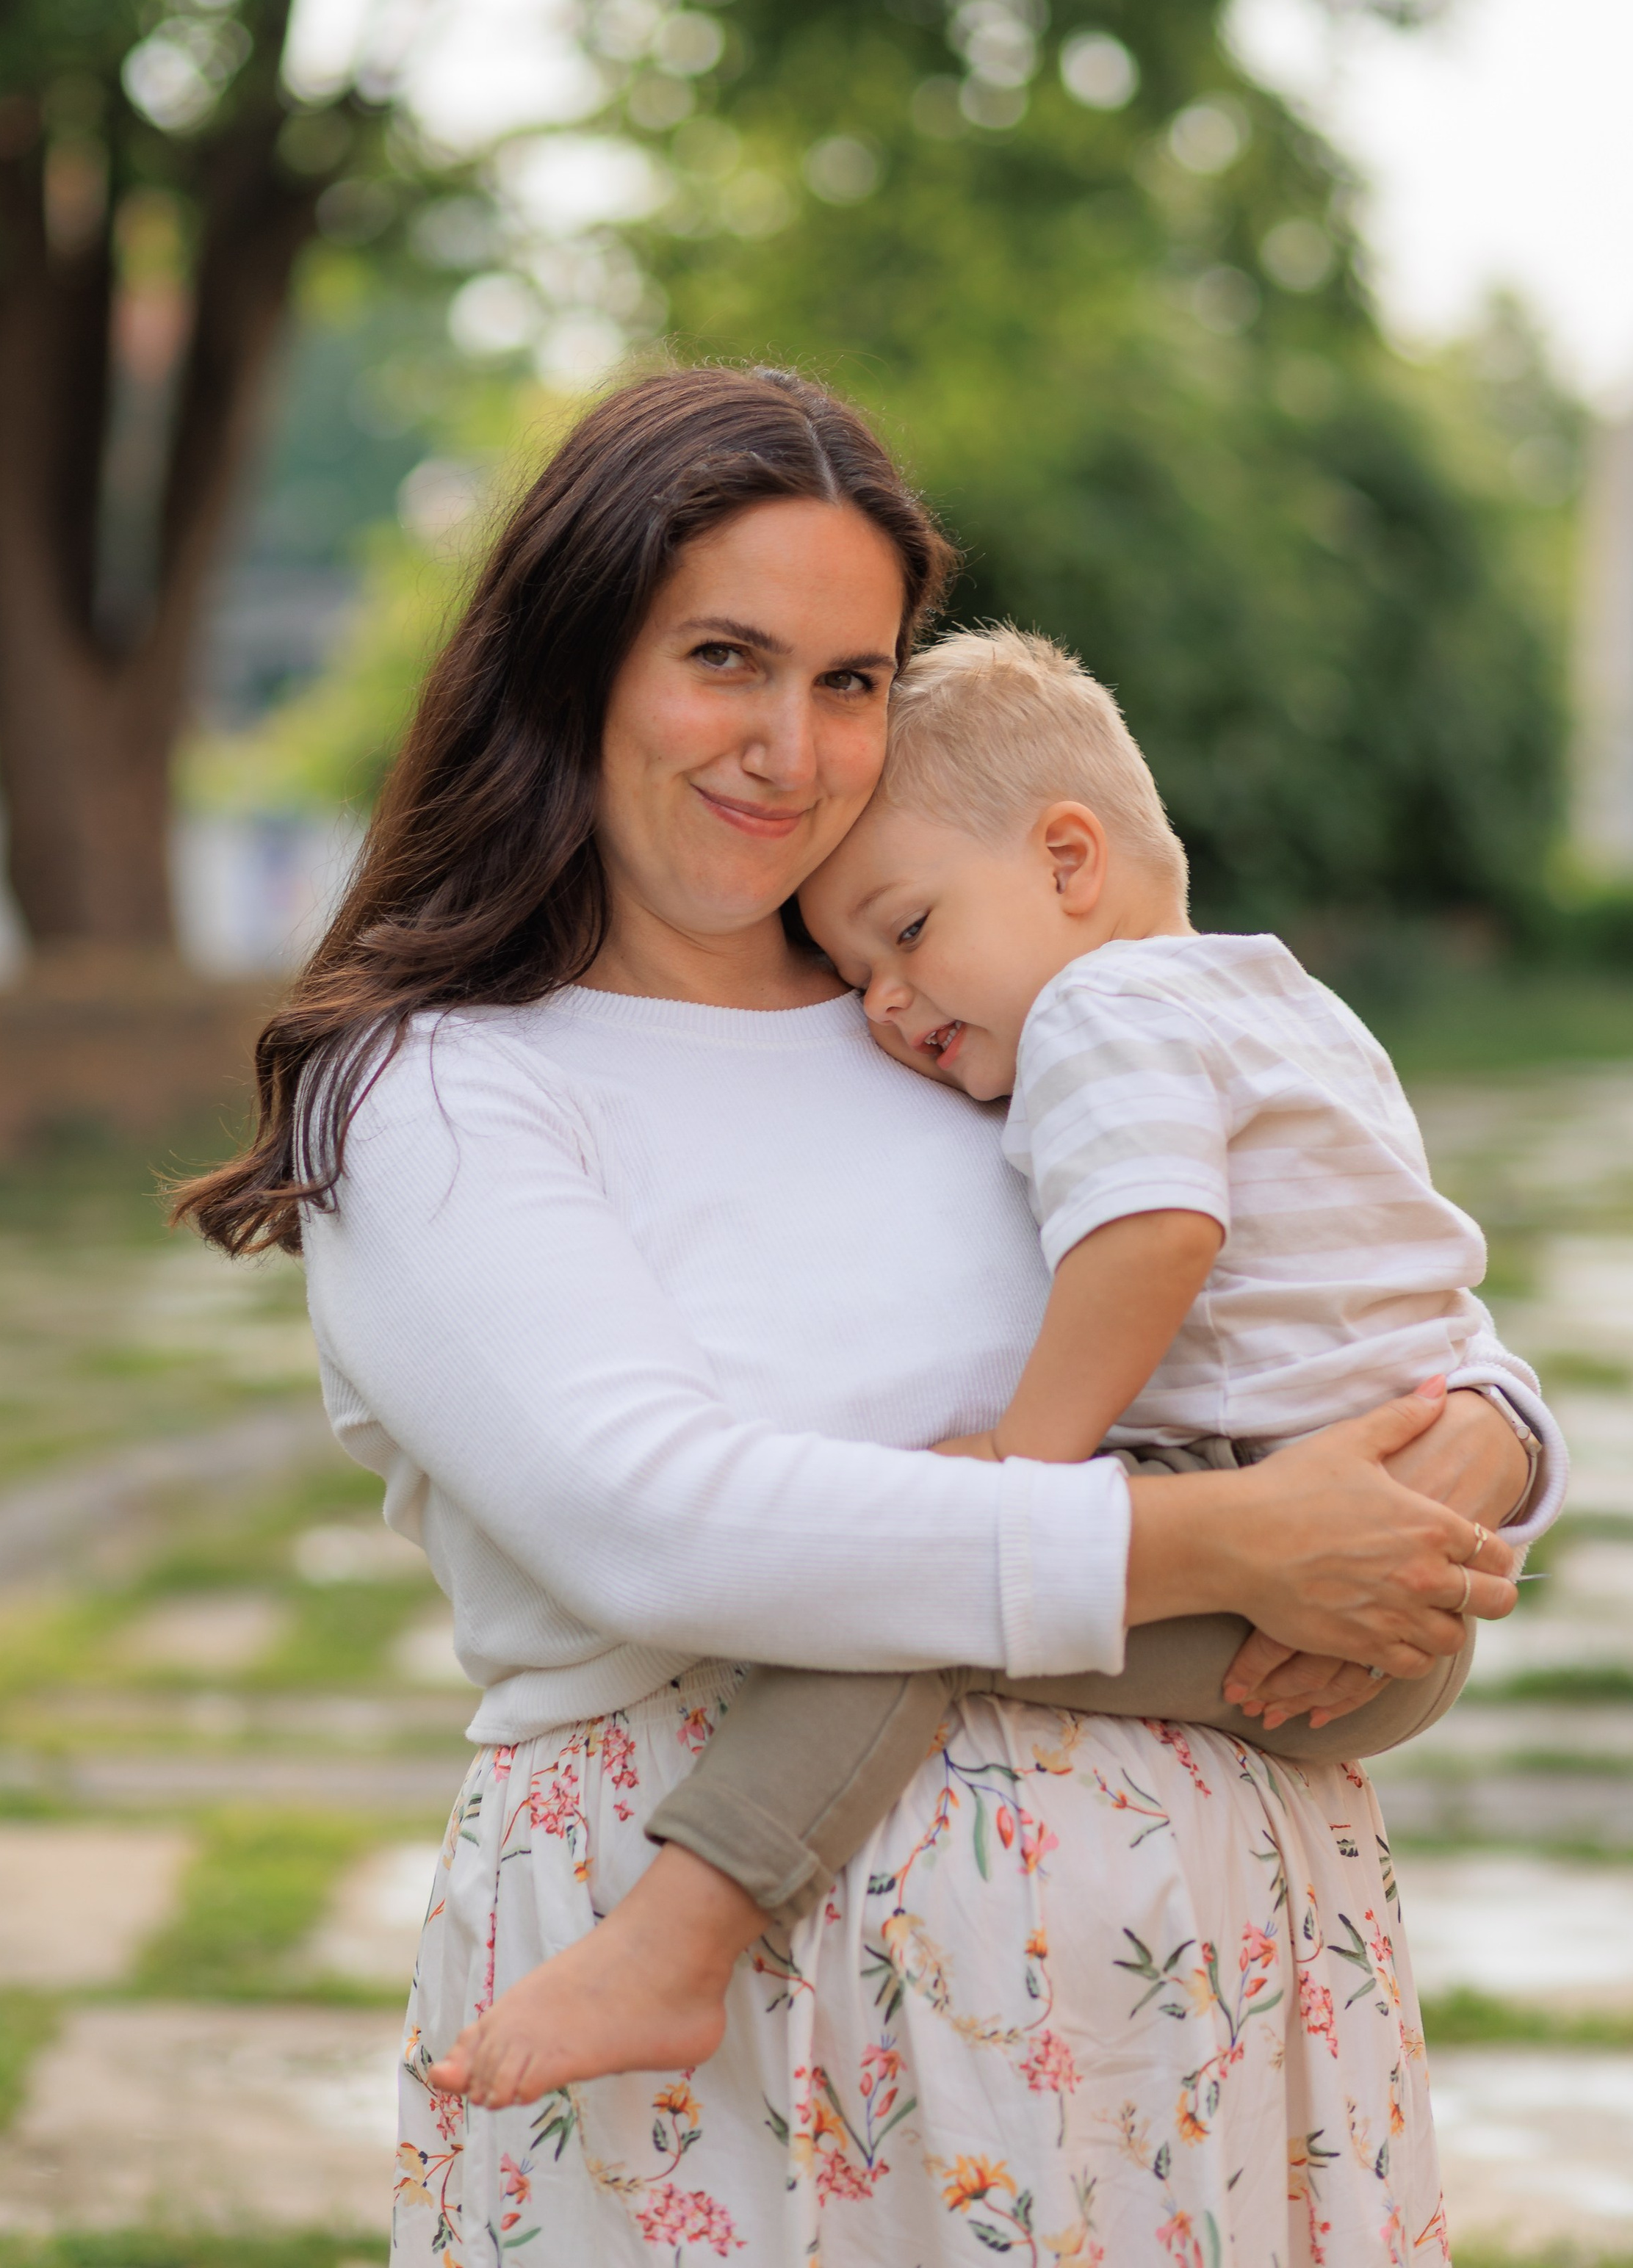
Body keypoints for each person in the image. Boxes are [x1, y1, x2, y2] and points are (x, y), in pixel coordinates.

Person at [181, 365, 1558, 2267]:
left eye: (849, 680)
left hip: (1199, 2013)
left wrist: (1496, 1429)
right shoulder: (442, 1089)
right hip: (765, 2036)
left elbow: (1294, 1257)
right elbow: (653, 1517)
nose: (791, 747)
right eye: (725, 660)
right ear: (574, 655)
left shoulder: (952, 1017)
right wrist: (1227, 1538)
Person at [441, 622, 1543, 2111]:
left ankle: (675, 1942)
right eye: (850, 972)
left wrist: (1023, 1474)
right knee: (943, 1582)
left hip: (1296, 1538)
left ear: (1068, 863)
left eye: (902, 932)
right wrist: (1496, 1434)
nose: (886, 1002)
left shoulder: (1103, 1007)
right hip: (1387, 1583)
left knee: (913, 1608)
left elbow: (1151, 1237)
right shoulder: (1279, 1000)